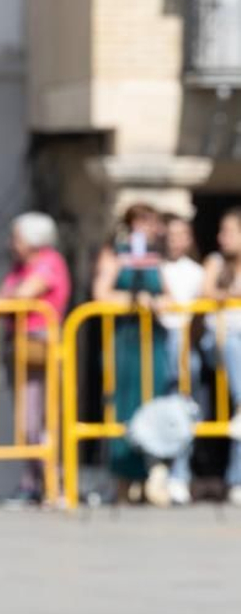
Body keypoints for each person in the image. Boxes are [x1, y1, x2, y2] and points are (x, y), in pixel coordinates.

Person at [94, 203, 174, 504]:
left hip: (151, 340)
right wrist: (132, 298)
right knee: (122, 404)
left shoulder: (155, 258)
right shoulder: (116, 253)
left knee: (152, 403)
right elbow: (101, 293)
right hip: (124, 340)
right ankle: (123, 478)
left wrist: (156, 302)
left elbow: (168, 296)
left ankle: (152, 473)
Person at [0, 212, 71, 507]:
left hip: (44, 344)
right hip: (20, 345)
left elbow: (19, 296)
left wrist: (3, 301)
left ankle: (56, 480)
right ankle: (33, 482)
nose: (11, 244)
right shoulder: (19, 267)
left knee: (49, 418)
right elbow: (5, 296)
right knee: (27, 421)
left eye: (17, 237)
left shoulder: (50, 261)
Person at [160, 214, 204, 505]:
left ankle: (180, 475)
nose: (175, 240)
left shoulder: (197, 271)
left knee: (185, 411)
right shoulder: (157, 268)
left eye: (181, 234)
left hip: (185, 344)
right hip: (159, 345)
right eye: (170, 234)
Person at [200, 208, 241, 506]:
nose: (220, 237)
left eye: (227, 231)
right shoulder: (215, 262)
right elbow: (206, 292)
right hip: (221, 342)